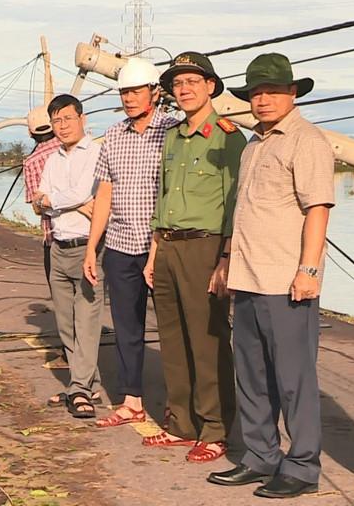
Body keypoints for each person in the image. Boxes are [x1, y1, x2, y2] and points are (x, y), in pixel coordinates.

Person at [208, 53, 334, 499]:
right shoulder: (255, 144)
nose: (261, 100)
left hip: (286, 282)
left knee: (294, 379)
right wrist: (226, 262)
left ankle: (302, 466)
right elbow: (243, 213)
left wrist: (309, 270)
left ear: (292, 93)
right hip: (247, 276)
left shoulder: (308, 141)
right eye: (255, 93)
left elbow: (317, 210)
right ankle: (260, 456)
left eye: (271, 92)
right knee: (254, 376)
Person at [142, 51, 245, 463]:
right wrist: (153, 253)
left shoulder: (227, 137)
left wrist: (225, 259)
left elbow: (236, 204)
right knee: (172, 339)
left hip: (205, 246)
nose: (183, 90)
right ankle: (181, 423)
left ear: (211, 87)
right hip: (167, 246)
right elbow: (162, 199)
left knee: (207, 341)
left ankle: (216, 429)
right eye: (177, 84)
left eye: (192, 83)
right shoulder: (172, 136)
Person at [83, 58, 179, 428]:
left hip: (162, 247)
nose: (129, 98)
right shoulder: (114, 136)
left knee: (172, 330)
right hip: (121, 246)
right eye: (124, 92)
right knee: (126, 328)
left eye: (136, 91)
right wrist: (93, 247)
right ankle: (132, 399)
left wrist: (157, 248)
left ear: (155, 93)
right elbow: (104, 194)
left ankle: (177, 403)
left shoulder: (173, 132)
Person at [33, 94, 103, 419]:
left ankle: (79, 389)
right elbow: (39, 200)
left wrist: (54, 201)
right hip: (58, 247)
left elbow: (87, 191)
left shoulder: (97, 152)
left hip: (89, 246)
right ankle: (87, 384)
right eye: (57, 121)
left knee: (86, 320)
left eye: (68, 119)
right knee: (65, 324)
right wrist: (66, 202)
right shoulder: (53, 159)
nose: (62, 126)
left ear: (82, 119)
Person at [22, 105, 62, 293]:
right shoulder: (71, 147)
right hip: (87, 237)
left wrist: (45, 201)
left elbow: (36, 207)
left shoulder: (31, 161)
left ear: (30, 133)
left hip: (53, 238)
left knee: (61, 299)